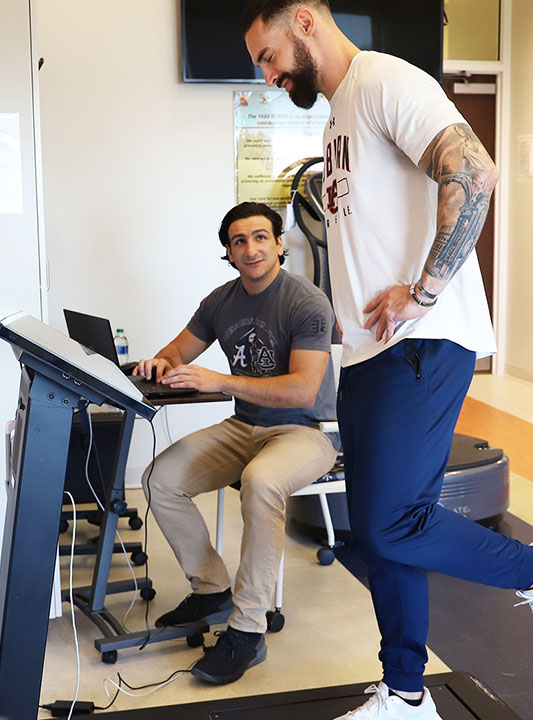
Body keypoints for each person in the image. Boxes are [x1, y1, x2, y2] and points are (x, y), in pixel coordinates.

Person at [241, 3, 533, 718]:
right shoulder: (339, 114)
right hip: (369, 351)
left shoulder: (384, 82)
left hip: (421, 344)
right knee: (382, 529)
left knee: (393, 522)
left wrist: (426, 291)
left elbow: (476, 173)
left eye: (269, 55)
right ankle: (404, 694)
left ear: (304, 21)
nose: (267, 73)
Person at [135, 201, 339, 685]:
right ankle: (211, 590)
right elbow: (175, 351)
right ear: (227, 252)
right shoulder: (220, 301)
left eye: (260, 238)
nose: (250, 249)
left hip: (306, 431)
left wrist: (221, 381)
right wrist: (159, 364)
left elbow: (302, 390)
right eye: (238, 241)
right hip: (245, 427)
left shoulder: (307, 303)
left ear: (280, 244)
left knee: (262, 481)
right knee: (159, 478)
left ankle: (248, 630)